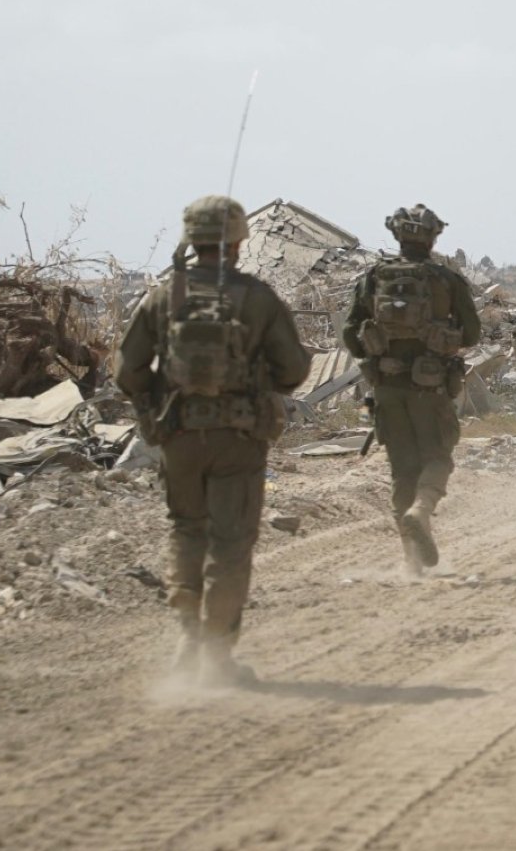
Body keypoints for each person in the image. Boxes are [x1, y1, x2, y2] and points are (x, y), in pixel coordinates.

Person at [116, 196, 310, 685]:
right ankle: (217, 656)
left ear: (191, 238)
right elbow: (294, 369)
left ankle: (187, 637)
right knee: (231, 544)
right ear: (239, 241)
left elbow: (127, 371)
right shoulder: (258, 297)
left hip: (178, 434)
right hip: (239, 438)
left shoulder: (162, 296)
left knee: (186, 528)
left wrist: (154, 408)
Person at [341, 204, 481, 575]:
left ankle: (410, 563)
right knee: (437, 457)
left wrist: (375, 354)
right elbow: (473, 333)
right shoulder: (445, 280)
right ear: (434, 236)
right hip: (431, 388)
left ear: (396, 235)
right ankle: (421, 509)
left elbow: (348, 333)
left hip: (387, 387)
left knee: (402, 469)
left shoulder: (374, 277)